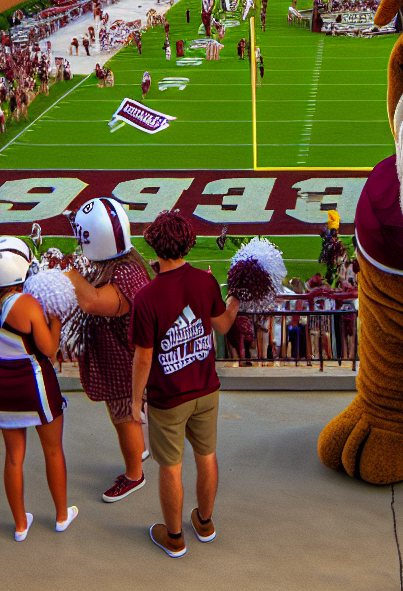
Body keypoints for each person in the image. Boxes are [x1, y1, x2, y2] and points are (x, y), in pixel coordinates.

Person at [130, 211, 240, 557]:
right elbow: (222, 326)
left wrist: (135, 402)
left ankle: (175, 537)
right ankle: (204, 523)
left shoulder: (146, 297)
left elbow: (144, 357)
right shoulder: (205, 282)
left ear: (154, 245)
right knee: (206, 457)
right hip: (206, 388)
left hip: (169, 397)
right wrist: (236, 298)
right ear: (188, 243)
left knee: (170, 466)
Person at [0, 236, 76, 541]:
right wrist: (55, 318)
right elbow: (50, 349)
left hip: (1, 382)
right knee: (53, 451)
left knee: (13, 457)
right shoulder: (27, 304)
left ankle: (19, 524)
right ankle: (60, 516)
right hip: (34, 382)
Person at [65, 198, 152, 502]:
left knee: (123, 415)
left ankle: (133, 475)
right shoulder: (128, 261)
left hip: (121, 362)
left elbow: (89, 301)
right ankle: (139, 449)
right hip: (121, 355)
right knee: (126, 414)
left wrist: (65, 270)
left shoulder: (124, 275)